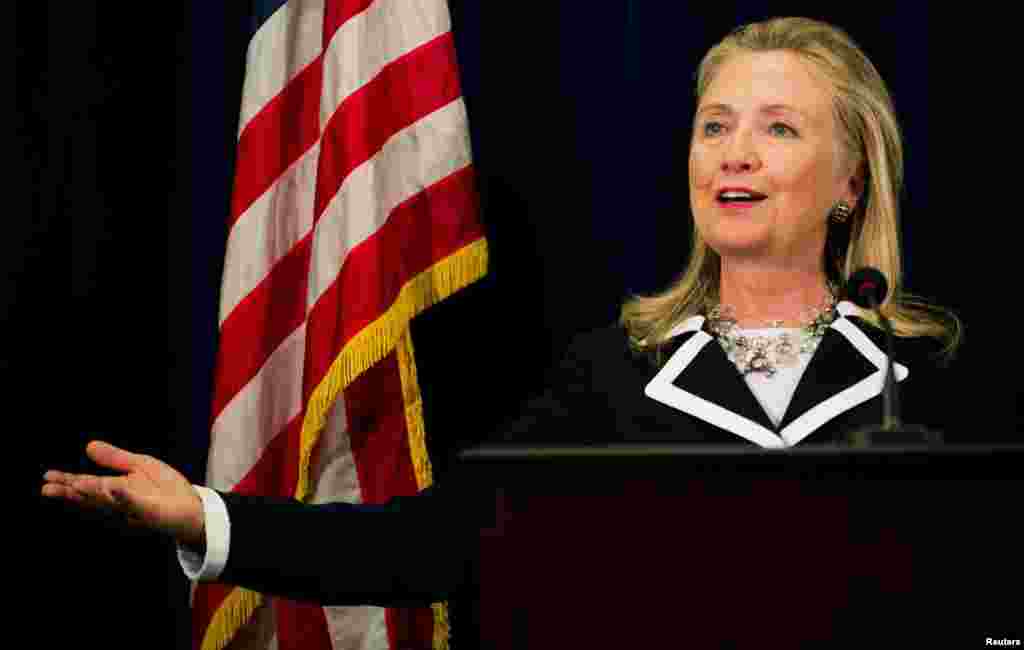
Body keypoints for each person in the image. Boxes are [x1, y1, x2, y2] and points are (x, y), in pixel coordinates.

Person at [42, 13, 963, 623]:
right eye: (715, 125)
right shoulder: (610, 374)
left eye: (779, 128)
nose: (738, 155)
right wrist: (201, 515)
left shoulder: (934, 380)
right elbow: (425, 546)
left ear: (851, 181)